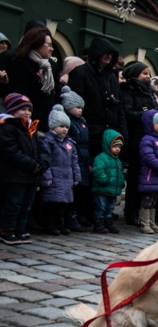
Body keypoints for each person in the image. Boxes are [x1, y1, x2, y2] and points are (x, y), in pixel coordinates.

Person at [0, 94, 50, 245]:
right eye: (23, 109)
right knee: (14, 203)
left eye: (29, 109)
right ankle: (7, 230)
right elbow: (12, 152)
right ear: (12, 110)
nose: (27, 112)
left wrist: (43, 163)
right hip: (16, 175)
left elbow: (42, 149)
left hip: (31, 175)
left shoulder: (31, 128)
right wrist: (32, 165)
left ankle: (20, 229)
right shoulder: (7, 128)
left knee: (26, 205)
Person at [68, 37, 128, 157]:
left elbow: (119, 107)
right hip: (88, 132)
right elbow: (73, 104)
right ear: (97, 53)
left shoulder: (111, 77)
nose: (108, 56)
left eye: (111, 54)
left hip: (110, 134)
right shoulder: (80, 73)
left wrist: (123, 133)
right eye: (105, 53)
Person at [120, 62, 158, 225]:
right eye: (144, 73)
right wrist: (146, 114)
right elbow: (128, 113)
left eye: (148, 73)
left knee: (146, 175)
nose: (148, 76)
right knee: (136, 174)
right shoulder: (129, 91)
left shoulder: (150, 92)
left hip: (150, 137)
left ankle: (140, 211)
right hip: (136, 136)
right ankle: (130, 211)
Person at [4, 27, 59, 132]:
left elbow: (56, 92)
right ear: (37, 44)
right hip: (29, 123)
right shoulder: (21, 64)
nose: (52, 49)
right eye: (49, 45)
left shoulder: (50, 65)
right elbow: (20, 93)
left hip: (48, 122)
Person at [39, 105, 81, 236]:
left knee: (62, 205)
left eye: (66, 127)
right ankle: (49, 225)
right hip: (53, 178)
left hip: (66, 177)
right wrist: (47, 177)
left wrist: (76, 176)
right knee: (51, 204)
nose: (64, 129)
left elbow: (74, 161)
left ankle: (60, 224)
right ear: (52, 126)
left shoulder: (69, 143)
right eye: (61, 126)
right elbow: (46, 161)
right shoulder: (48, 141)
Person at [61, 85, 93, 230]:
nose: (80, 110)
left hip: (84, 158)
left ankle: (81, 216)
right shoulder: (68, 123)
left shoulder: (83, 123)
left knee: (83, 192)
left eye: (81, 107)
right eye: (77, 107)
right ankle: (70, 217)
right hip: (75, 159)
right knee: (74, 191)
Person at [137, 110, 158, 234]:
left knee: (153, 200)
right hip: (150, 175)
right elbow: (148, 156)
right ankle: (144, 222)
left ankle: (152, 222)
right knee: (147, 200)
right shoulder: (147, 139)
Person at [91, 130, 125, 234]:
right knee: (101, 207)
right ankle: (98, 224)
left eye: (119, 147)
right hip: (102, 189)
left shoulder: (117, 161)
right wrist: (104, 180)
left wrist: (121, 183)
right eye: (115, 146)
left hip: (112, 190)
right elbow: (98, 171)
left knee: (110, 208)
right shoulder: (101, 158)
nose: (117, 149)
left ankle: (108, 222)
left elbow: (120, 174)